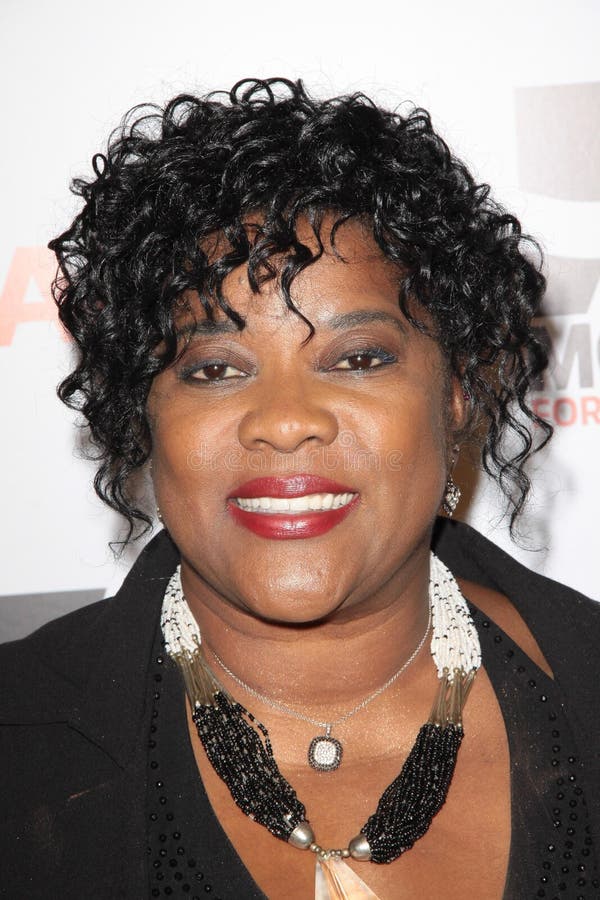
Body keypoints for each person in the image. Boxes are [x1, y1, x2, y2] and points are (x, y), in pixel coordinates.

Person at [0, 78, 598, 900]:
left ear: (457, 392)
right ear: (144, 410)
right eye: (214, 369)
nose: (285, 422)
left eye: (358, 358)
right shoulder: (20, 738)